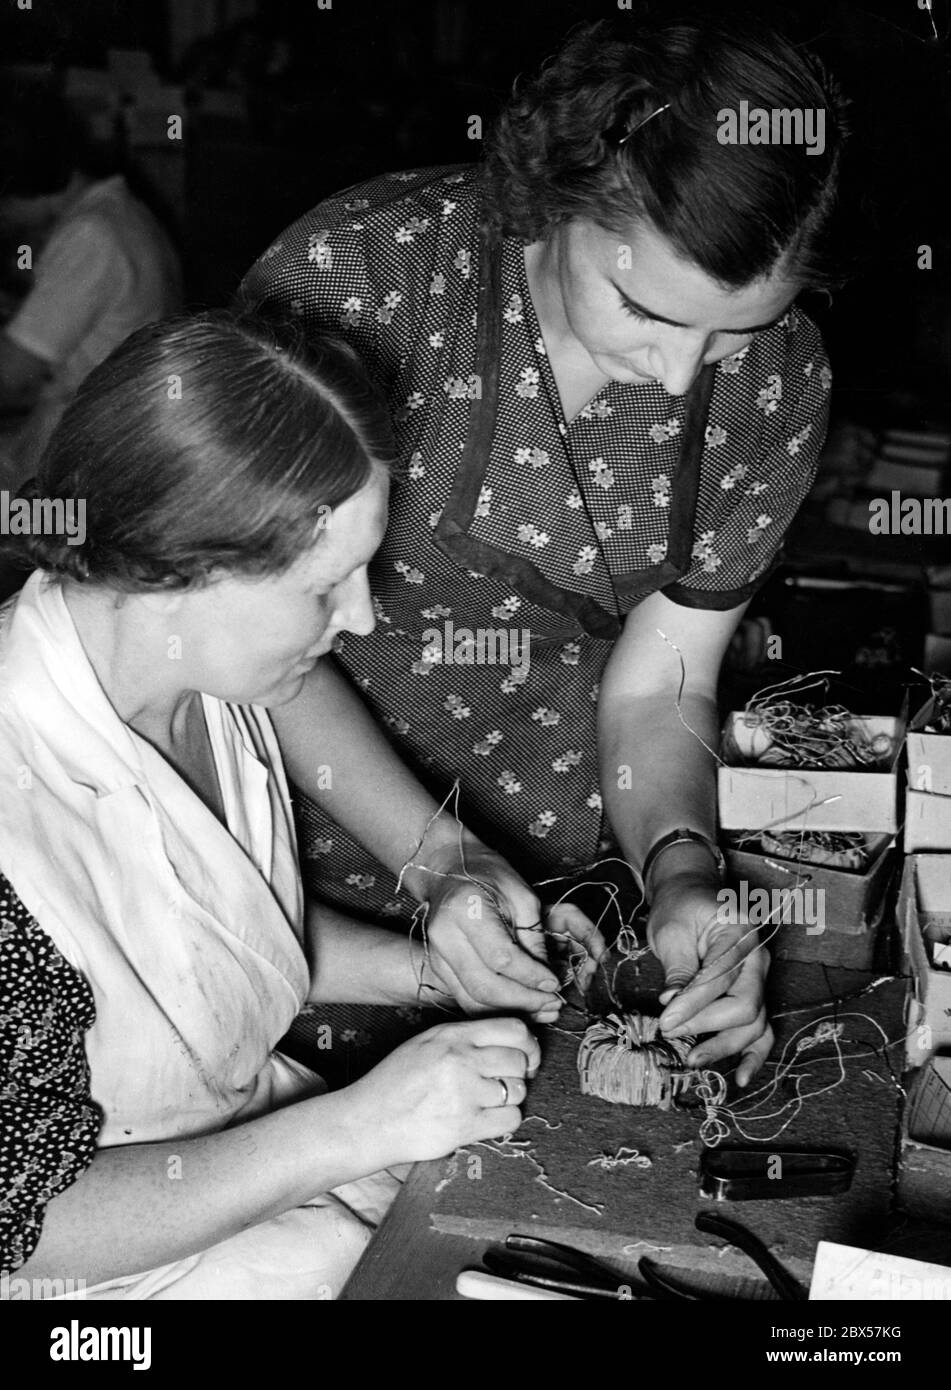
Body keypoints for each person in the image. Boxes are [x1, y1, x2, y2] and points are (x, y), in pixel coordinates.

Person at [241, 8, 850, 1087]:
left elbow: (660, 688)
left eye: (733, 330)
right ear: (556, 197)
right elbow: (247, 631)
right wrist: (437, 857)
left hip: (554, 868)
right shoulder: (365, 279)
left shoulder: (778, 381)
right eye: (642, 309)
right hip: (294, 852)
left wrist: (679, 870)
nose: (679, 375)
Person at [0, 311, 597, 1300]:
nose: (361, 616)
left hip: (249, 1173)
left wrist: (433, 970)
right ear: (182, 572)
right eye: (328, 585)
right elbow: (30, 1227)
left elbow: (198, 949)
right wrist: (362, 1124)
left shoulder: (199, 677)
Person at [0, 89, 182, 486]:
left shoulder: (92, 235)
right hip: (103, 435)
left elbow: (12, 374)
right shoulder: (119, 208)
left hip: (84, 464)